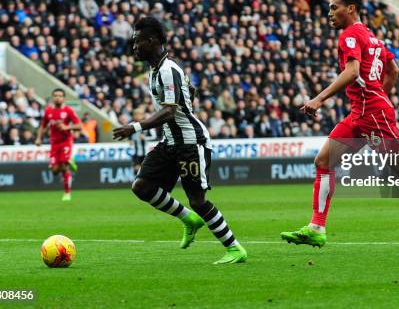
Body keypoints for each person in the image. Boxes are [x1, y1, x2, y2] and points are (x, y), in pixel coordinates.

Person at [113, 17, 247, 264]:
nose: (133, 47)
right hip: (170, 142)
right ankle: (188, 219)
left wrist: (135, 127)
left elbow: (170, 111)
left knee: (198, 200)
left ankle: (235, 248)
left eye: (137, 42)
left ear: (152, 41)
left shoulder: (167, 70)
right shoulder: (157, 70)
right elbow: (189, 93)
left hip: (190, 143)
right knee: (142, 186)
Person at [280, 0, 399, 248]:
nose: (330, 13)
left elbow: (352, 72)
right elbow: (393, 71)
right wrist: (376, 96)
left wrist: (319, 99)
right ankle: (317, 227)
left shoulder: (350, 35)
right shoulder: (373, 38)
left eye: (334, 7)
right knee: (324, 160)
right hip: (362, 113)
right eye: (329, 8)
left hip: (372, 113)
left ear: (351, 8)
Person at [35, 89, 82, 201]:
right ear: (52, 97)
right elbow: (43, 126)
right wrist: (38, 138)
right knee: (55, 170)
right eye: (55, 95)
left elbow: (79, 125)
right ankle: (70, 161)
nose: (58, 98)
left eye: (60, 96)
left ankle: (67, 193)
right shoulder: (48, 111)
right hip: (54, 144)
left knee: (64, 167)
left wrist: (67, 127)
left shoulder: (68, 111)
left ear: (64, 98)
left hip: (66, 142)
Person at [130, 108, 158, 174]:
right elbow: (127, 135)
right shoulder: (131, 125)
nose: (137, 116)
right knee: (136, 170)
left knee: (144, 170)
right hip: (136, 152)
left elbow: (154, 136)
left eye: (139, 114)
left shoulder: (146, 125)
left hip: (145, 152)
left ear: (142, 115)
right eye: (135, 115)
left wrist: (145, 138)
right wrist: (129, 139)